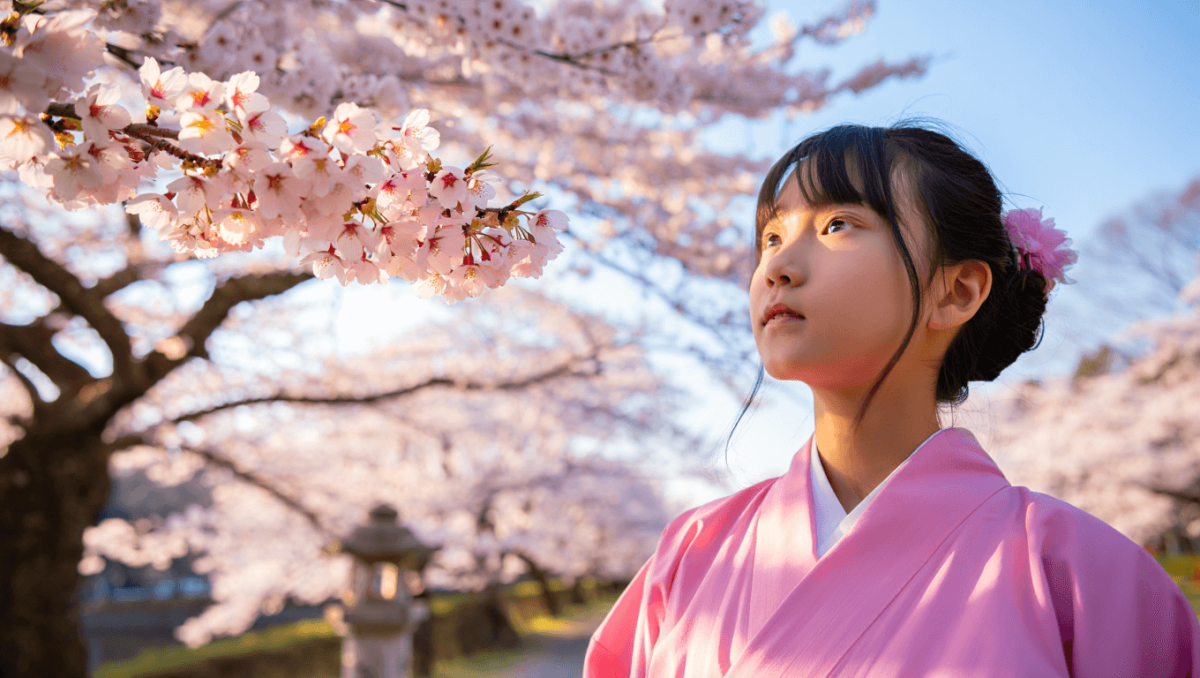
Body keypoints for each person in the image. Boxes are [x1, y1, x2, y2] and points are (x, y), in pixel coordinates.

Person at [583, 123, 1200, 677]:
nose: (778, 267)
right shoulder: (692, 551)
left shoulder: (1084, 576)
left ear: (956, 292)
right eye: (771, 236)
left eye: (836, 225)